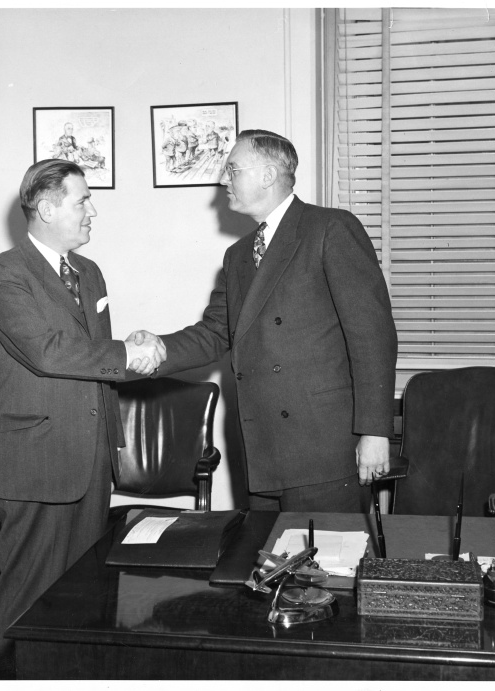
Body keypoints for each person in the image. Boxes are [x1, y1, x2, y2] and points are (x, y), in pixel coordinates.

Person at [131, 129, 397, 513]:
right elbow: (215, 333)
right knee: (265, 552)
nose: (224, 180)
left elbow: (372, 336)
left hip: (324, 450)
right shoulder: (238, 255)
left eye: (232, 169)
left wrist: (375, 431)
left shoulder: (329, 229)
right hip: (262, 450)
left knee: (324, 552)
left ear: (268, 175)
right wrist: (154, 349)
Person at [0, 159, 165, 675]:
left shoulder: (88, 271)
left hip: (91, 457)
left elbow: (93, 354)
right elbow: (49, 352)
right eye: (82, 200)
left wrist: (135, 347)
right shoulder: (4, 274)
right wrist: (127, 354)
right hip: (36, 461)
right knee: (28, 596)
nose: (92, 211)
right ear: (46, 208)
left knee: (83, 593)